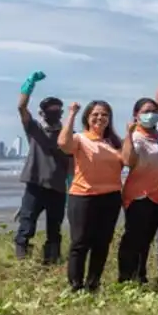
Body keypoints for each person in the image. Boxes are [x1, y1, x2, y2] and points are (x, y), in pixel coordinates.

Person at [57, 100, 124, 291]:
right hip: (83, 196)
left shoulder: (114, 142)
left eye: (104, 114)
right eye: (95, 114)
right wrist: (71, 114)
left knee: (102, 243)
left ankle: (93, 284)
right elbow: (63, 143)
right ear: (87, 117)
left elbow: (127, 160)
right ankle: (75, 286)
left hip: (110, 197)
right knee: (80, 242)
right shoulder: (80, 138)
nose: (100, 118)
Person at [14, 71, 71, 264]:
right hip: (34, 185)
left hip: (58, 188)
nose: (53, 112)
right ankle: (22, 261)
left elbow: (73, 163)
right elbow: (21, 107)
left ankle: (52, 262)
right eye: (49, 109)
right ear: (42, 113)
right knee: (26, 225)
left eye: (57, 109)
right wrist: (28, 85)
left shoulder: (68, 136)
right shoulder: (35, 129)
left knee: (54, 229)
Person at [117, 98, 158, 284]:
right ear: (136, 115)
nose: (151, 115)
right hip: (139, 195)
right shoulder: (135, 137)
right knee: (133, 237)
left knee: (146, 239)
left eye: (154, 111)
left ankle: (140, 275)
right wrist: (129, 135)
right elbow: (127, 161)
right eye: (146, 111)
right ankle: (125, 276)